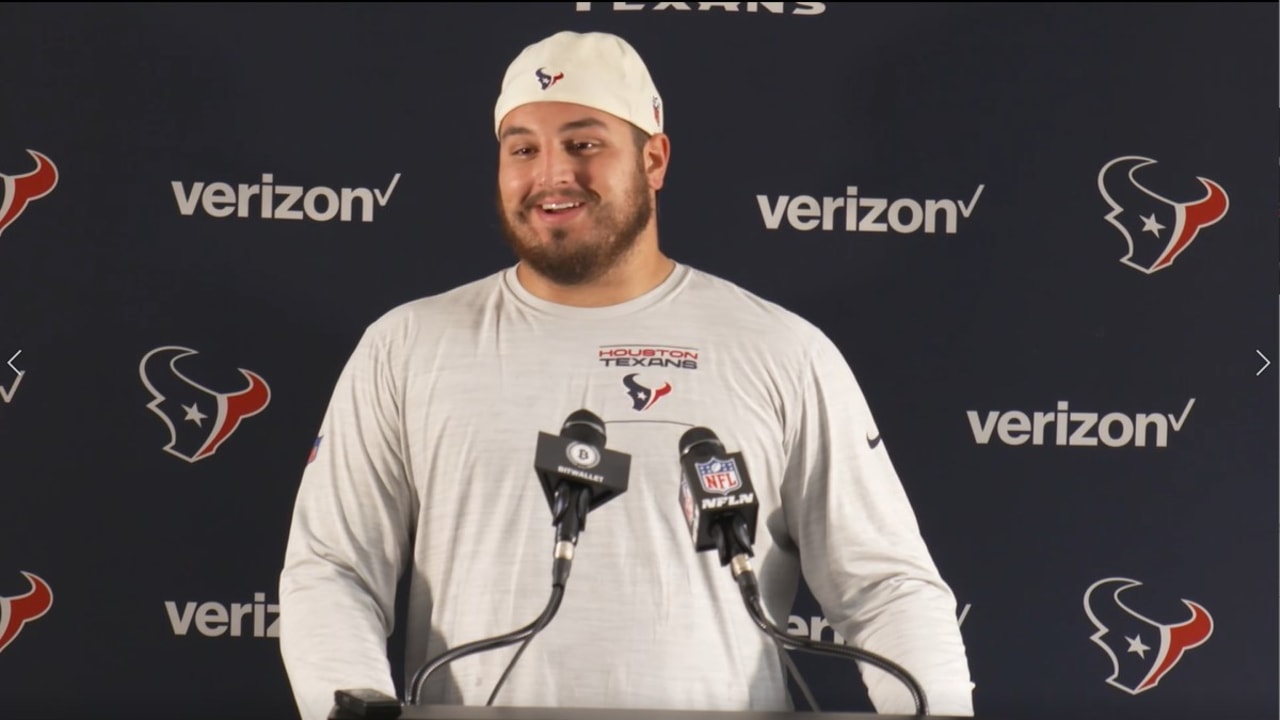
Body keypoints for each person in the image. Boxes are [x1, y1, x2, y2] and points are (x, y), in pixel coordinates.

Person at [278, 29, 975, 720]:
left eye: (584, 144)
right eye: (523, 148)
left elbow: (885, 587)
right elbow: (332, 570)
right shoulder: (406, 346)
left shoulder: (780, 350)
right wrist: (352, 705)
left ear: (653, 158)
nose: (551, 174)